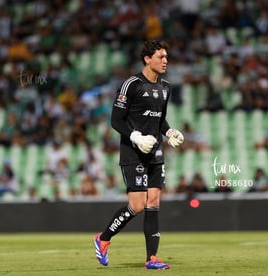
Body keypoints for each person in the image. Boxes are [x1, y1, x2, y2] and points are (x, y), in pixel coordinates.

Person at [94, 40, 184, 270]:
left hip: (155, 152)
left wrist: (169, 131)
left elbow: (158, 118)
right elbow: (116, 120)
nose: (165, 61)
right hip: (133, 152)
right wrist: (135, 137)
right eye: (160, 57)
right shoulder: (131, 85)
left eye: (166, 57)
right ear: (147, 59)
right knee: (137, 205)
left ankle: (151, 258)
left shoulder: (165, 87)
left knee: (153, 202)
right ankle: (103, 239)